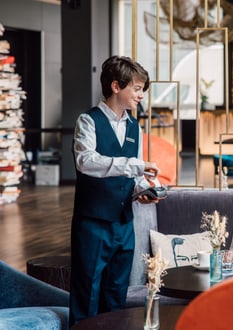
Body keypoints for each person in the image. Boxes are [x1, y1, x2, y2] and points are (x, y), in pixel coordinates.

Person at [69, 55, 160, 326]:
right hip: (93, 223)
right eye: (137, 88)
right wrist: (134, 165)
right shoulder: (88, 121)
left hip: (124, 224)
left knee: (116, 294)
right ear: (116, 87)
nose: (141, 95)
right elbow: (86, 161)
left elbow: (135, 176)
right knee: (87, 293)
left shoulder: (135, 126)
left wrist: (144, 189)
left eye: (143, 89)